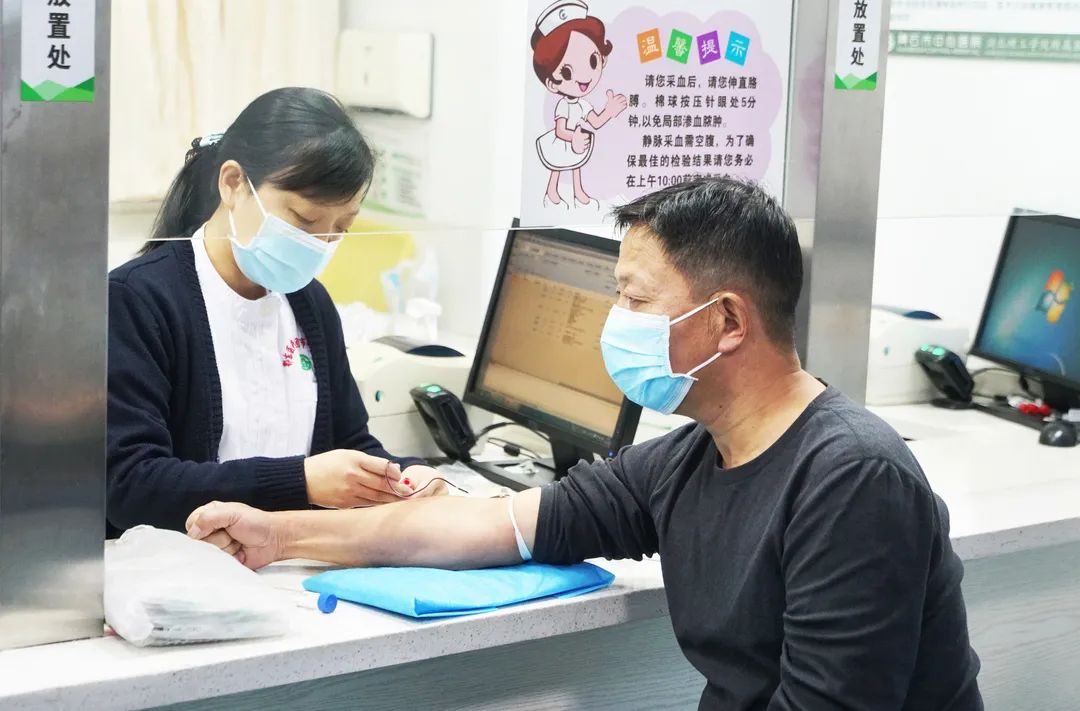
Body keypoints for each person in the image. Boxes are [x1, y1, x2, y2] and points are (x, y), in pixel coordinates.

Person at [188, 178, 983, 710]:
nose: (615, 322)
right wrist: (279, 534)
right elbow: (488, 523)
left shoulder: (850, 481)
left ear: (727, 321)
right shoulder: (690, 458)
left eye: (634, 299)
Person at [108, 87, 447, 537]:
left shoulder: (310, 304)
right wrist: (302, 481)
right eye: (304, 220)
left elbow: (349, 443)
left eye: (341, 229)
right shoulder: (137, 301)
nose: (320, 244)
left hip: (289, 559)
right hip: (177, 563)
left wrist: (405, 475)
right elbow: (131, 484)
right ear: (233, 184)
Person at [531, 0, 627, 208]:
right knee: (557, 165)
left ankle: (579, 191)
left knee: (577, 165)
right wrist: (571, 137)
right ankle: (552, 189)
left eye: (593, 61)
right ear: (551, 83)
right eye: (566, 72)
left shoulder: (584, 105)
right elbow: (560, 130)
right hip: (564, 140)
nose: (584, 76)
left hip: (578, 139)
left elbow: (596, 122)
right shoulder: (563, 105)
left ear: (602, 59)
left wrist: (609, 111)